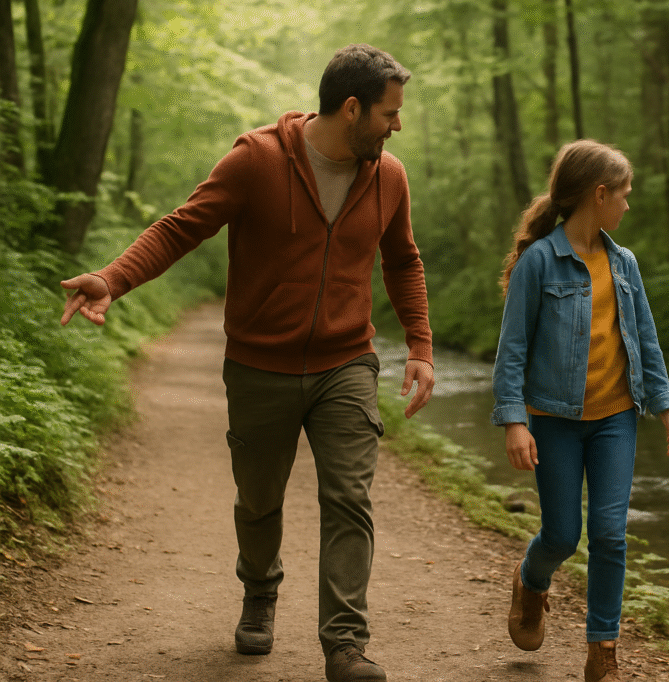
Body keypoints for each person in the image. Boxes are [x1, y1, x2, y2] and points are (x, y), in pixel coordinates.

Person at [59, 44, 433, 682]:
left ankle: (345, 645)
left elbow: (402, 260)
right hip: (260, 365)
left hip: (347, 360)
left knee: (349, 498)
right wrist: (113, 280)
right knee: (260, 500)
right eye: (389, 114)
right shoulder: (258, 160)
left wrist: (420, 345)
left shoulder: (388, 176)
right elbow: (183, 227)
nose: (396, 126)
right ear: (351, 108)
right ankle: (259, 590)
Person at [491, 139, 669, 682]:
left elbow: (645, 339)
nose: (628, 205)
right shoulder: (539, 262)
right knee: (561, 535)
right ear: (599, 196)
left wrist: (666, 407)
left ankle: (603, 648)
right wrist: (513, 420)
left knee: (609, 534)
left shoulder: (624, 263)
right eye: (624, 195)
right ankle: (531, 581)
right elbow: (511, 349)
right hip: (553, 420)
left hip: (616, 418)